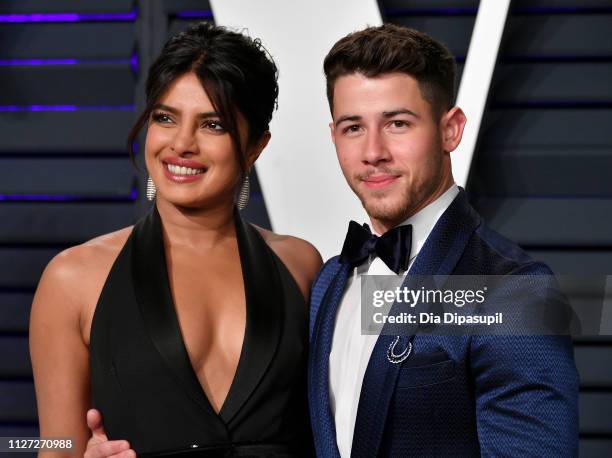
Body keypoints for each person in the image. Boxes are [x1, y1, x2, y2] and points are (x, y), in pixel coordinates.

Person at [29, 22, 321, 457]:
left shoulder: (300, 265)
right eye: (165, 118)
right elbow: (54, 446)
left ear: (256, 145)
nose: (181, 144)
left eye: (213, 125)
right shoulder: (73, 278)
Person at [308, 24, 579, 457]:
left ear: (450, 130)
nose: (373, 151)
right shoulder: (327, 282)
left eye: (397, 123)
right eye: (353, 127)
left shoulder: (514, 289)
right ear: (333, 136)